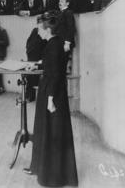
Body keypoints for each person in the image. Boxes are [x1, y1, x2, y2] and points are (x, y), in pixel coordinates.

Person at [24, 14, 78, 187]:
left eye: (40, 28)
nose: (38, 30)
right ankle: (41, 169)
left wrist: (50, 99)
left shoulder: (54, 46)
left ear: (47, 30)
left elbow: (55, 75)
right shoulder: (54, 43)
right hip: (50, 91)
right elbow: (50, 64)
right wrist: (38, 65)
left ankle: (53, 177)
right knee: (44, 131)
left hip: (52, 93)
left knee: (51, 133)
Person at [24, 16, 46, 102]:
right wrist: (28, 50)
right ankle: (28, 94)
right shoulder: (34, 30)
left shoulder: (44, 32)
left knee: (33, 77)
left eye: (41, 23)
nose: (39, 24)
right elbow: (29, 41)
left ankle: (31, 96)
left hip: (39, 57)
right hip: (31, 56)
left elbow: (45, 45)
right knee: (29, 76)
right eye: (38, 23)